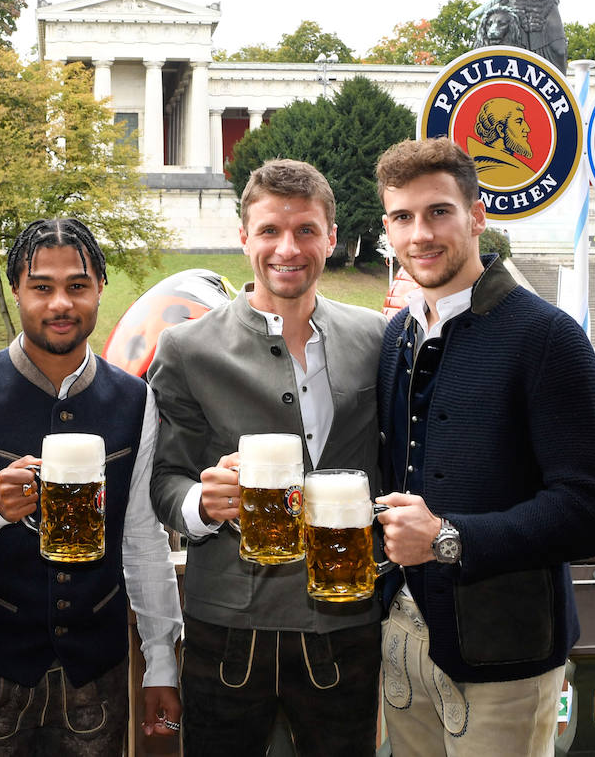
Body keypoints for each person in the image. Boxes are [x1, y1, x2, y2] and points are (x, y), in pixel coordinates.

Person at [373, 138, 595, 756]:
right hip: (401, 637)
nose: (420, 234)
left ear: (477, 215)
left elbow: (592, 514)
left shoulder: (547, 337)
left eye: (439, 212)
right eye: (403, 217)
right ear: (386, 228)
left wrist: (448, 539)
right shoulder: (395, 337)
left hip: (505, 649)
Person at [0, 218, 182, 755]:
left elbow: (142, 541)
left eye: (77, 286)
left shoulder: (136, 400)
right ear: (17, 289)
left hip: (96, 678)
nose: (60, 302)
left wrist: (160, 663)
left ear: (100, 288)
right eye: (42, 287)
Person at [148, 158, 387, 756]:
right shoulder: (185, 348)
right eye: (270, 231)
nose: (288, 247)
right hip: (228, 625)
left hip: (346, 621)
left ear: (333, 238)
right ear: (244, 238)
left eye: (306, 229)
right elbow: (163, 482)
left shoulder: (379, 338)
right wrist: (201, 503)